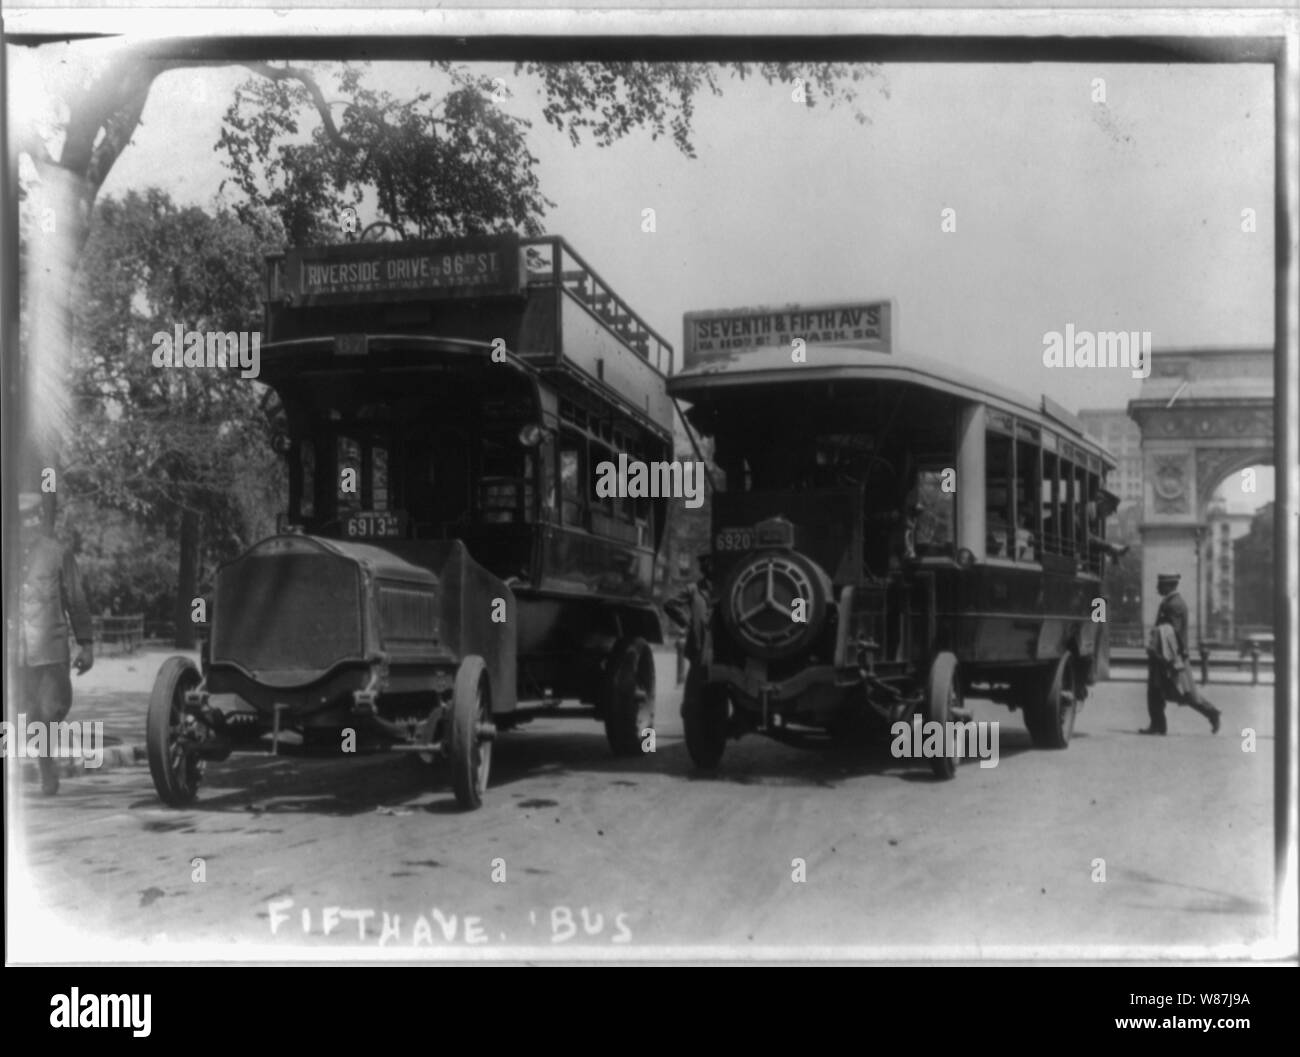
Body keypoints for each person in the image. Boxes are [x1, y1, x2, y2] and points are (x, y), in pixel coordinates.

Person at [14, 493, 95, 794]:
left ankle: (47, 769)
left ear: (39, 520)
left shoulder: (58, 554)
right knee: (25, 714)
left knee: (48, 714)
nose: (28, 526)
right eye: (21, 521)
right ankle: (41, 765)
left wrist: (86, 645)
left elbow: (76, 599)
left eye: (32, 519)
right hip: (15, 652)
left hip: (49, 649)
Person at [1142, 571, 1220, 735]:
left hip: (1169, 656)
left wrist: (1159, 648)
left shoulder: (1174, 605)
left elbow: (1172, 631)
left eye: (1160, 584)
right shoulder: (1170, 602)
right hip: (1165, 655)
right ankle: (1158, 725)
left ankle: (1211, 712)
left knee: (1184, 693)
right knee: (1156, 691)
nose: (1157, 587)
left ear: (1169, 585)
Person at [664, 553, 713, 669]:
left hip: (720, 653)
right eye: (708, 565)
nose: (711, 569)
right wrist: (687, 623)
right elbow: (670, 604)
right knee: (695, 684)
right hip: (698, 649)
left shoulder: (726, 589)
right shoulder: (693, 589)